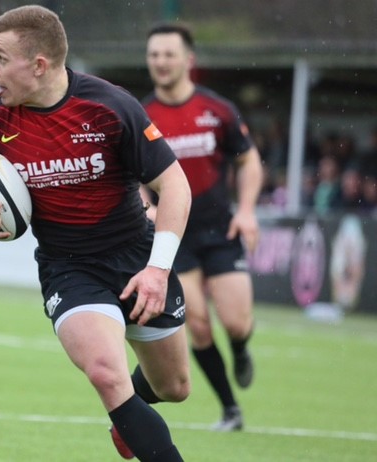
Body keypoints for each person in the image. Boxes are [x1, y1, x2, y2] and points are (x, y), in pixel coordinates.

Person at [0, 5, 191, 461]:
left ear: (38, 64)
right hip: (69, 268)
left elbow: (174, 184)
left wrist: (158, 269)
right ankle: (129, 414)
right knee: (105, 373)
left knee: (172, 387)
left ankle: (128, 420)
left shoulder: (110, 106)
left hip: (137, 256)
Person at [142, 23, 263, 432]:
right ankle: (230, 409)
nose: (160, 61)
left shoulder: (218, 110)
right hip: (175, 238)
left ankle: (242, 348)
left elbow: (248, 160)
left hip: (221, 231)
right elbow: (131, 176)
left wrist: (246, 210)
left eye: (168, 54)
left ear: (188, 60)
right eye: (154, 54)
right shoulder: (140, 115)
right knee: (197, 325)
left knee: (235, 323)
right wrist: (145, 206)